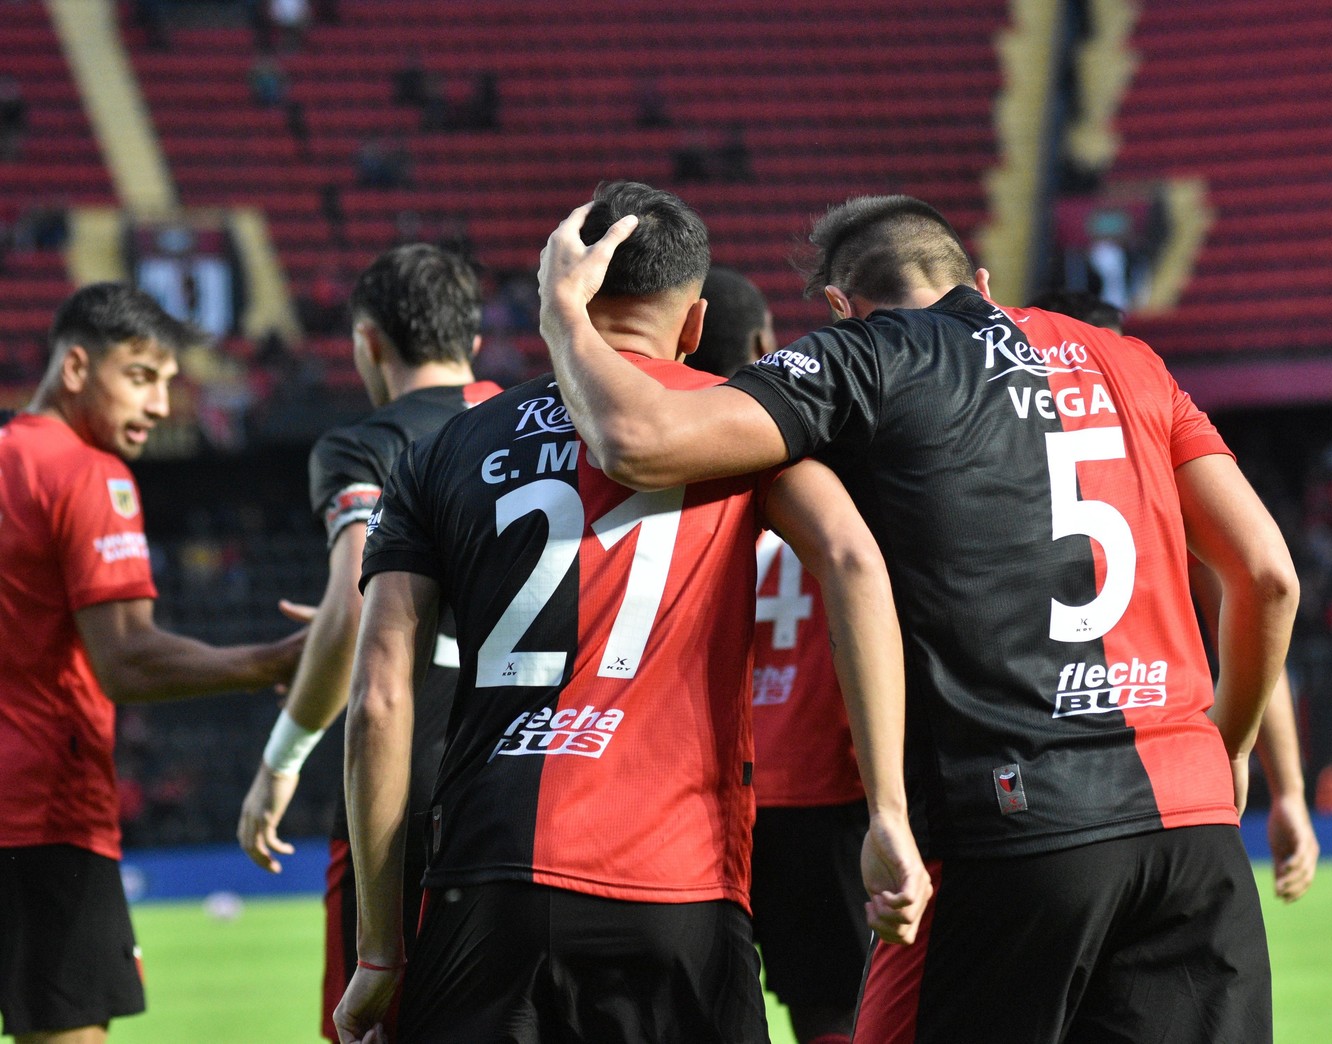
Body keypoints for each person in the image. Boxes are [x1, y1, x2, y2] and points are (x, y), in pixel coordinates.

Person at [538, 192, 1299, 1042]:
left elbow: (638, 443)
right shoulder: (1129, 360)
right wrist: (1224, 747)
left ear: (836, 305)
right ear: (975, 279)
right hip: (1192, 834)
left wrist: (564, 310)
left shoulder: (868, 355)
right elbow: (1266, 577)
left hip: (1010, 828)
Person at [333, 182, 927, 1044]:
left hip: (483, 881)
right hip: (674, 885)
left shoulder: (439, 453)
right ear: (693, 324)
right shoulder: (739, 431)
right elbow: (849, 556)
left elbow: (380, 702)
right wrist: (887, 810)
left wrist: (381, 953)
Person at [0, 283, 308, 1044]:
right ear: (75, 367)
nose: (162, 403)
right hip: (41, 814)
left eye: (170, 381)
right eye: (141, 375)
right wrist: (268, 661)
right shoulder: (86, 474)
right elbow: (128, 661)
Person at [234, 245, 502, 1042]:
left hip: (403, 796)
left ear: (367, 343)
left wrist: (280, 762)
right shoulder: (538, 420)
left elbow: (355, 613)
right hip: (530, 788)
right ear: (475, 346)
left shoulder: (364, 446)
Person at [1034, 287, 1320, 903]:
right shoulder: (1160, 466)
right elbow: (1259, 593)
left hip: (1038, 795)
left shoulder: (989, 456)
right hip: (1173, 788)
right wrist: (1257, 767)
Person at [689, 266, 865, 1044]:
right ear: (764, 345)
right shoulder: (828, 465)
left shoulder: (668, 470)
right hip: (824, 789)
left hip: (701, 794)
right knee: (838, 1012)